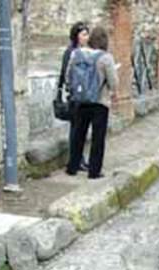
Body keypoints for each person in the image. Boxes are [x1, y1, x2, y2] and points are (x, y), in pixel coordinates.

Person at [65, 27, 118, 180]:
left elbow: (69, 75)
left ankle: (72, 167)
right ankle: (94, 171)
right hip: (99, 102)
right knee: (98, 138)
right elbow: (114, 83)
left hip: (80, 100)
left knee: (78, 135)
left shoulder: (77, 54)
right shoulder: (106, 58)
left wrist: (75, 90)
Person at [60, 22, 90, 172]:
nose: (86, 37)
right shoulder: (70, 52)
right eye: (83, 34)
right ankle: (76, 160)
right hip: (75, 95)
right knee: (76, 128)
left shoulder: (84, 51)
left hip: (83, 94)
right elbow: (66, 74)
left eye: (87, 34)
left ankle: (79, 159)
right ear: (76, 36)